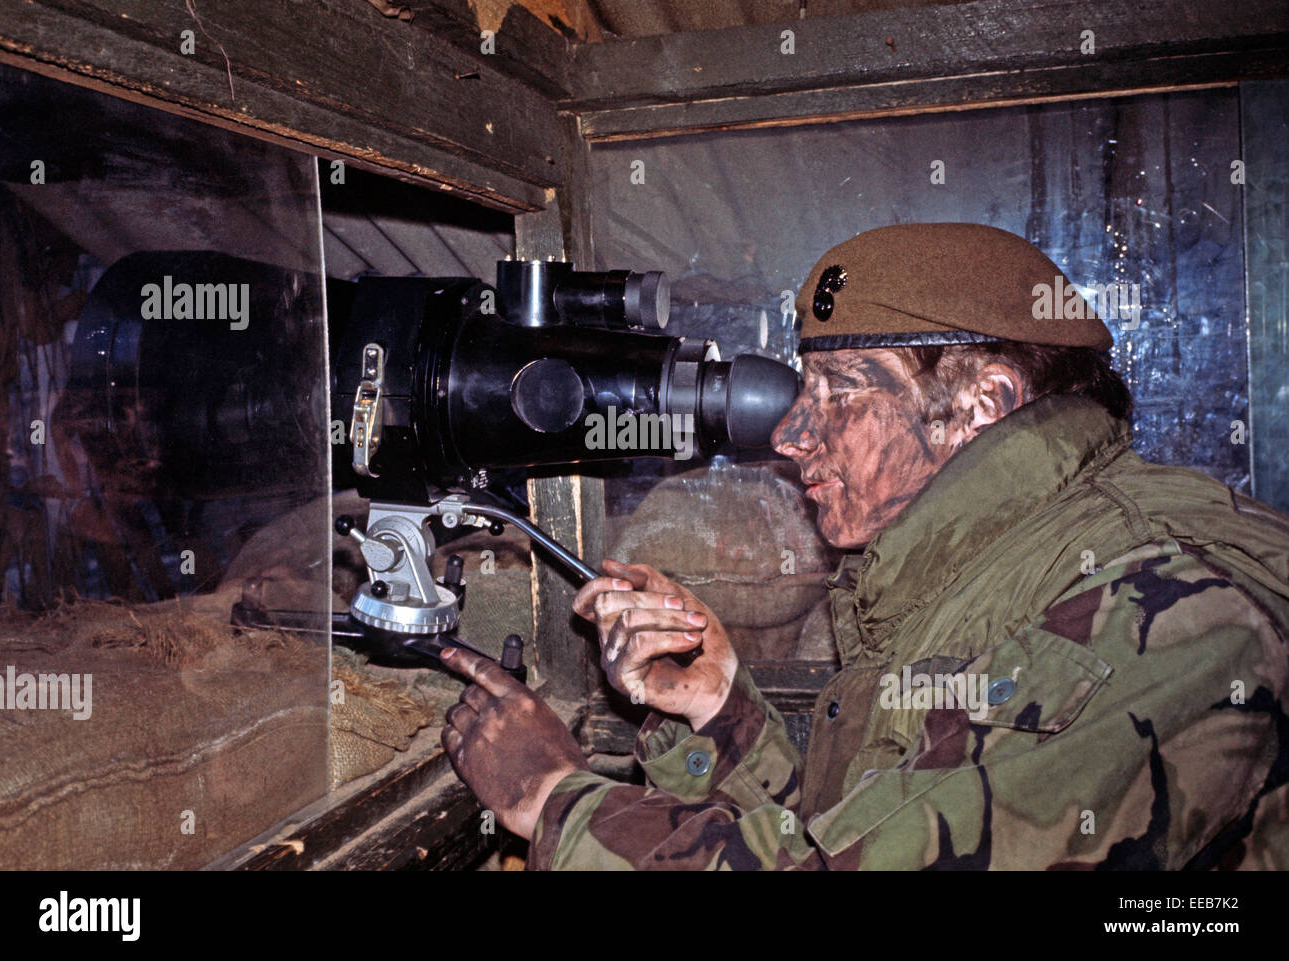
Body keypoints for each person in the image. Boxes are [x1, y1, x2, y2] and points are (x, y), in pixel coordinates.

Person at [440, 223, 1289, 870]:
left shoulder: (1159, 605)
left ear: (980, 403)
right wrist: (716, 712)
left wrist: (551, 795)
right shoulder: (988, 567)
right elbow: (872, 827)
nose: (790, 433)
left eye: (841, 390)